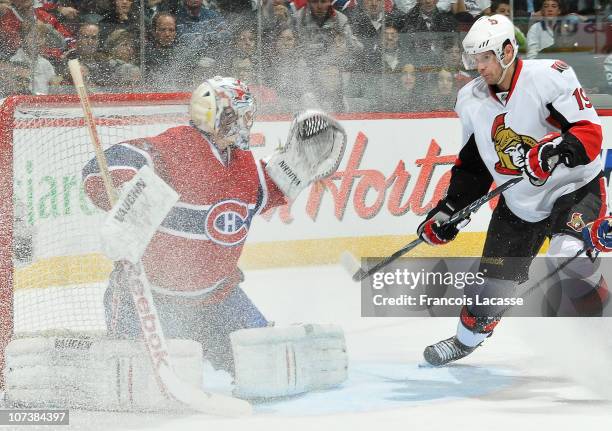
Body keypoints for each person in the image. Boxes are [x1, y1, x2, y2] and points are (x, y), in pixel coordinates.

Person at [82, 76, 347, 399]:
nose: (248, 122)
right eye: (241, 113)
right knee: (137, 387)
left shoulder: (241, 160)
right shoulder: (177, 144)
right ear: (219, 115)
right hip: (149, 299)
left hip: (217, 299)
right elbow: (107, 164)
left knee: (267, 366)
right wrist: (123, 190)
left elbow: (265, 191)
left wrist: (296, 169)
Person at [417, 14, 609, 366]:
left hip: (574, 187)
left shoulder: (549, 76)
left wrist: (552, 152)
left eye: (486, 57)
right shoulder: (470, 100)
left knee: (570, 261)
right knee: (490, 287)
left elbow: (590, 134)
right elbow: (473, 166)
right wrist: (448, 211)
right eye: (475, 58)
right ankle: (465, 341)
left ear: (508, 50)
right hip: (521, 203)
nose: (480, 66)